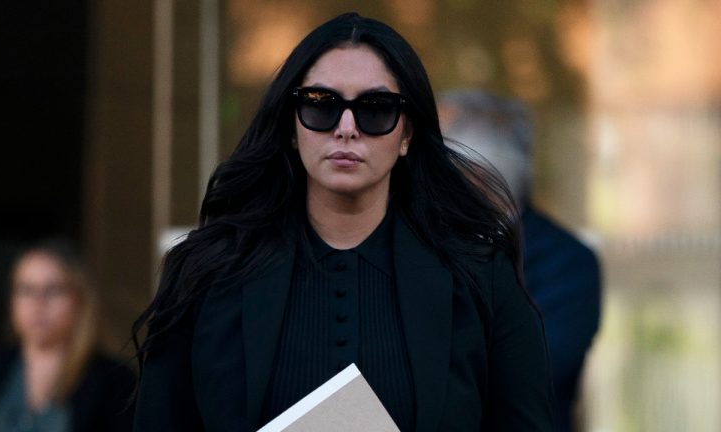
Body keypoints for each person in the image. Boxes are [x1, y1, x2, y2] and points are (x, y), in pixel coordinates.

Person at [133, 13, 553, 431]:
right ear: (292, 126)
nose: (346, 129)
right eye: (321, 105)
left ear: (407, 134)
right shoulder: (207, 274)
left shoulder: (479, 276)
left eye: (376, 109)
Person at [438, 89, 601, 432]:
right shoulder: (425, 244)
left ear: (480, 178)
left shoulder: (567, 263)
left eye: (442, 169)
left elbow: (529, 373)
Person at [0, 239, 135, 431]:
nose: (38, 303)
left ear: (80, 300)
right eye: (26, 290)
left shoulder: (115, 382)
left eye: (53, 290)